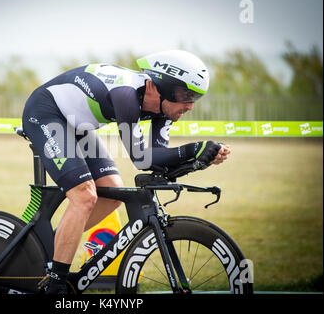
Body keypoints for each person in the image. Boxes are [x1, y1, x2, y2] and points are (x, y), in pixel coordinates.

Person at [21, 50, 231, 294]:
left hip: (77, 125)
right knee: (84, 195)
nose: (190, 105)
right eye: (185, 94)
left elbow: (157, 161)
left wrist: (200, 159)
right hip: (47, 113)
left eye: (195, 97)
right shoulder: (126, 95)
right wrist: (193, 149)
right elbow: (141, 158)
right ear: (159, 86)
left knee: (112, 193)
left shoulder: (164, 109)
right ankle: (55, 285)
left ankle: (50, 246)